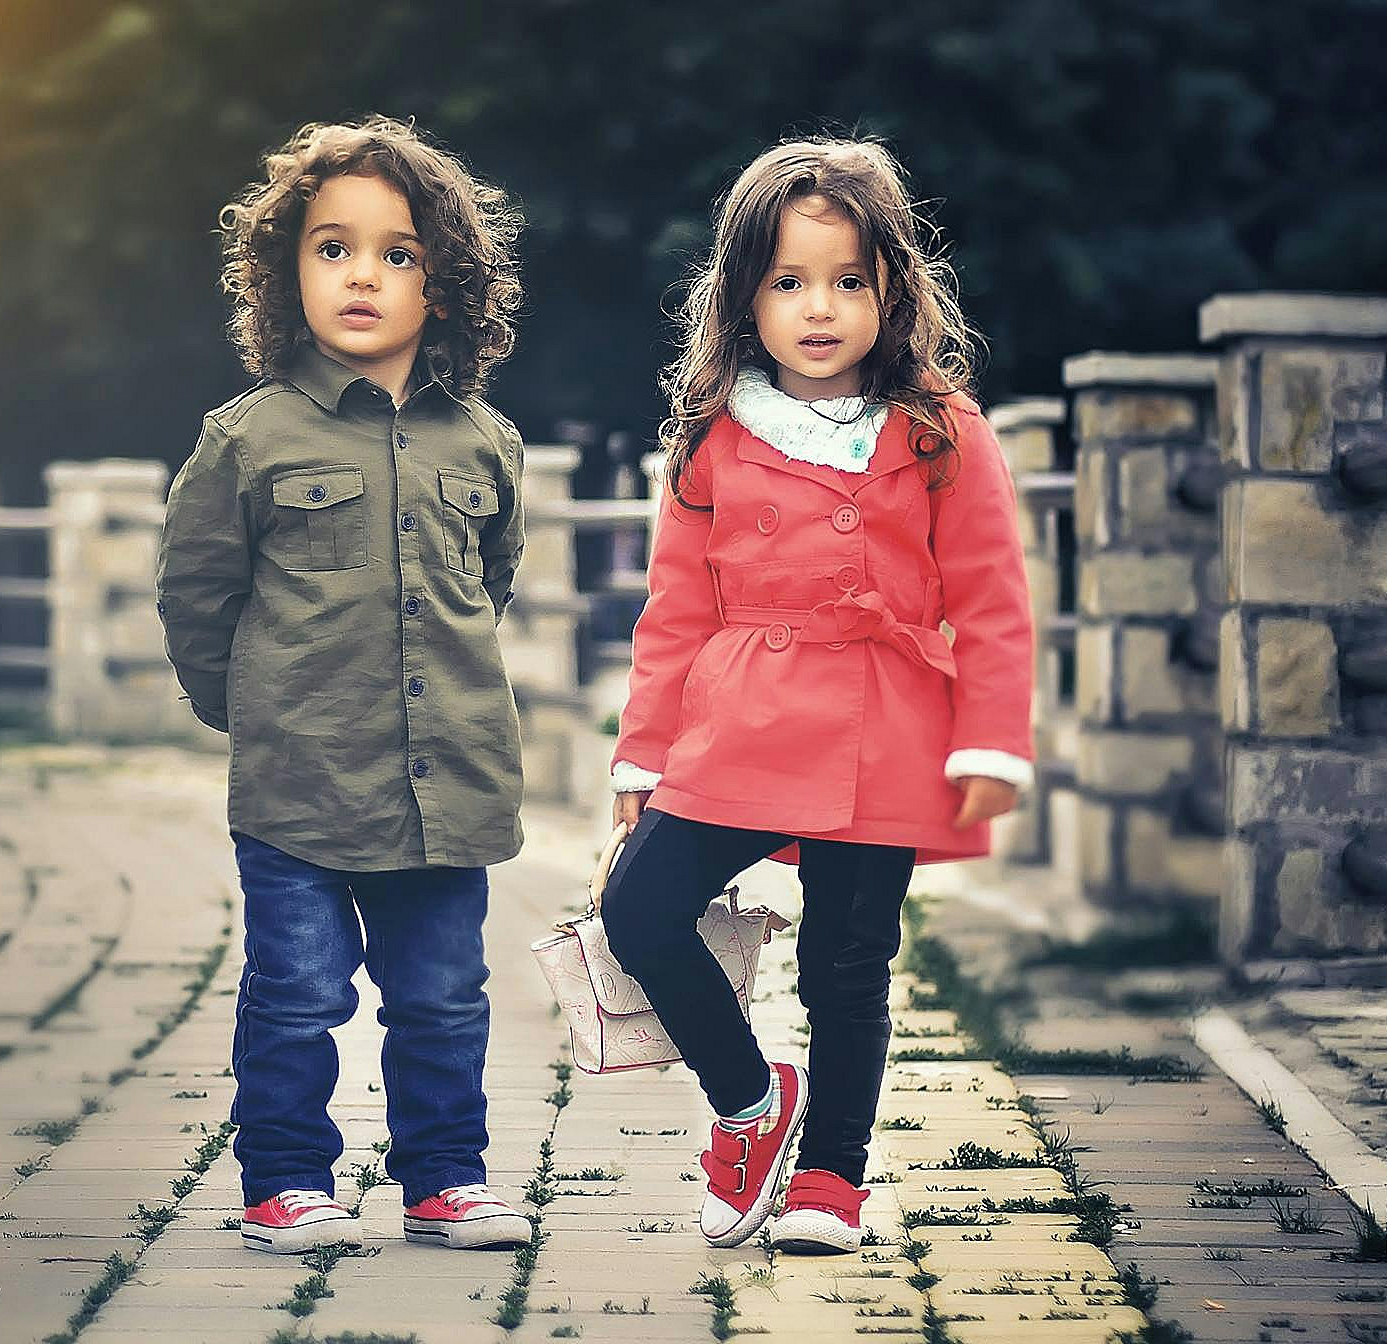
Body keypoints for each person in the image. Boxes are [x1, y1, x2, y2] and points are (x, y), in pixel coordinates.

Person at [601, 137, 1036, 1255]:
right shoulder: (714, 436)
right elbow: (672, 617)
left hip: (885, 719)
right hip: (737, 718)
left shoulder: (940, 427)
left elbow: (990, 597)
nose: (820, 307)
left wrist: (990, 742)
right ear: (744, 296)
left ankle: (831, 1179)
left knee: (849, 961)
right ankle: (750, 1104)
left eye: (848, 280)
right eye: (789, 281)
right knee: (639, 908)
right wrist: (639, 766)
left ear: (893, 288)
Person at [156, 116, 533, 1254]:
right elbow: (196, 598)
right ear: (288, 275)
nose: (362, 273)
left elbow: (491, 584)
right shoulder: (245, 439)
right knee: (297, 995)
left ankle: (444, 1180)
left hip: (448, 785)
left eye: (397, 253)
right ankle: (283, 1181)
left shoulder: (486, 444)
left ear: (445, 285)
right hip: (298, 784)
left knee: (442, 1000)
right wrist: (261, 713)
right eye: (332, 248)